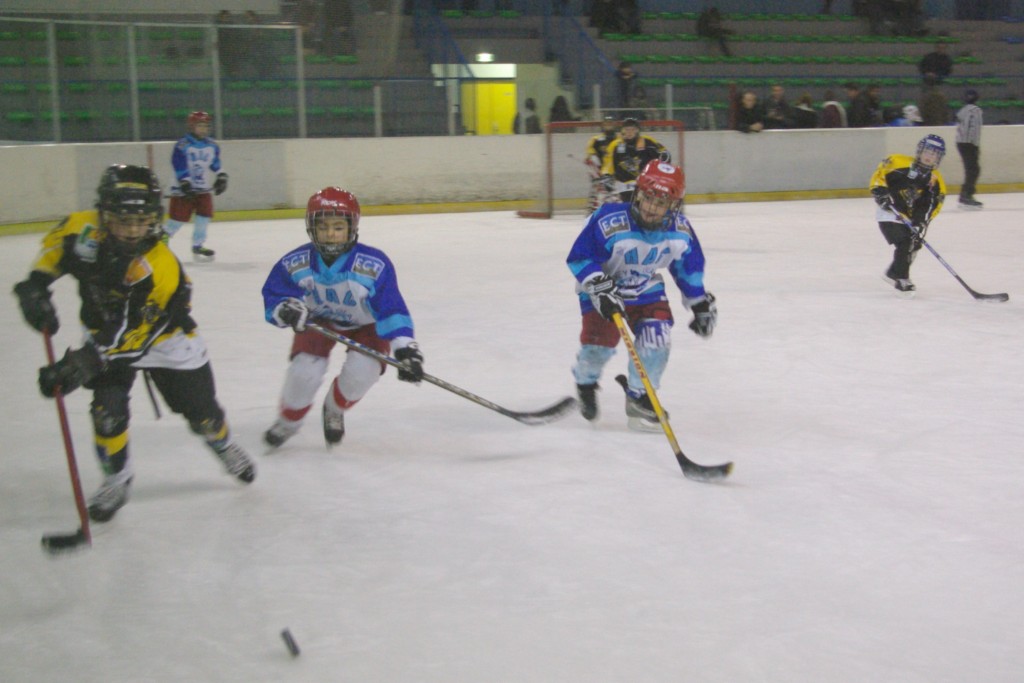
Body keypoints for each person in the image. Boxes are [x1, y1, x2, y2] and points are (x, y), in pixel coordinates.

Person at [12, 164, 255, 522]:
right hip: (103, 335)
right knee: (107, 414)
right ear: (103, 214)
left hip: (165, 341)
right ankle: (117, 479)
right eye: (123, 220)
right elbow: (53, 255)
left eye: (141, 221)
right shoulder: (82, 229)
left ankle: (222, 443)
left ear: (153, 219)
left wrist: (81, 363)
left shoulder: (159, 265)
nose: (132, 230)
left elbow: (135, 333)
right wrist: (34, 287)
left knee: (204, 414)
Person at [261, 187, 424, 448]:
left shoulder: (373, 264)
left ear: (352, 227)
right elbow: (275, 296)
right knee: (304, 372)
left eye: (338, 227)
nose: (330, 234)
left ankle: (334, 408)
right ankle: (288, 422)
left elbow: (391, 308)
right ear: (311, 227)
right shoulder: (296, 262)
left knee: (363, 373)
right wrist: (286, 309)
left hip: (366, 325)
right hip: (319, 321)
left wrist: (406, 350)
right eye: (323, 226)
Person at [566, 160, 716, 431]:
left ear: (673, 206)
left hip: (645, 288)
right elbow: (581, 257)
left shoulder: (680, 231)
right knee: (598, 348)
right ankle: (586, 382)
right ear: (638, 194)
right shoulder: (610, 220)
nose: (651, 208)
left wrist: (699, 303)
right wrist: (598, 285)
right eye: (648, 198)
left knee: (657, 339)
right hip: (603, 288)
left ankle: (639, 396)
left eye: (661, 203)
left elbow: (688, 267)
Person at [869, 134, 948, 294]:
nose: (929, 156)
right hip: (889, 212)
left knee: (915, 244)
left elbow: (930, 205)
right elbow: (880, 176)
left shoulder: (935, 180)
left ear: (938, 158)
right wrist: (881, 193)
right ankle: (902, 279)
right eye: (927, 151)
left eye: (934, 154)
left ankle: (893, 272)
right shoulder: (898, 162)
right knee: (905, 242)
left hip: (909, 217)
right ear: (920, 151)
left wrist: (920, 222)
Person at [164, 111, 229, 262]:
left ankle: (198, 244)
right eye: (200, 125)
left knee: (204, 216)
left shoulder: (212, 145)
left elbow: (215, 163)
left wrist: (221, 175)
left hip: (203, 188)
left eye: (205, 126)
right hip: (182, 188)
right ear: (192, 126)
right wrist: (185, 182)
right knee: (178, 218)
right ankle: (162, 238)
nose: (203, 129)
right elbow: (178, 164)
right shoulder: (182, 145)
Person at [600, 118, 670, 203]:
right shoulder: (615, 145)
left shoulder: (647, 141)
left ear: (637, 130)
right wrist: (607, 176)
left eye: (632, 129)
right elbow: (607, 165)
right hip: (623, 186)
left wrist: (664, 158)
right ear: (622, 131)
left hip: (645, 184)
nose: (629, 132)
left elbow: (664, 153)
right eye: (626, 129)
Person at [585, 116, 620, 213]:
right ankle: (593, 212)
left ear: (614, 124)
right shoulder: (596, 140)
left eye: (610, 123)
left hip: (616, 173)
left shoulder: (620, 139)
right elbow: (591, 155)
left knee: (616, 194)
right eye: (606, 123)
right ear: (603, 125)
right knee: (598, 194)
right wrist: (596, 169)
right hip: (600, 172)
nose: (608, 125)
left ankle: (615, 210)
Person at [955, 89, 983, 208]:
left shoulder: (962, 110)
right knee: (973, 169)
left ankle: (965, 193)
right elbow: (975, 129)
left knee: (971, 169)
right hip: (969, 143)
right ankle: (966, 194)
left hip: (961, 142)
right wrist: (975, 145)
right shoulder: (976, 110)